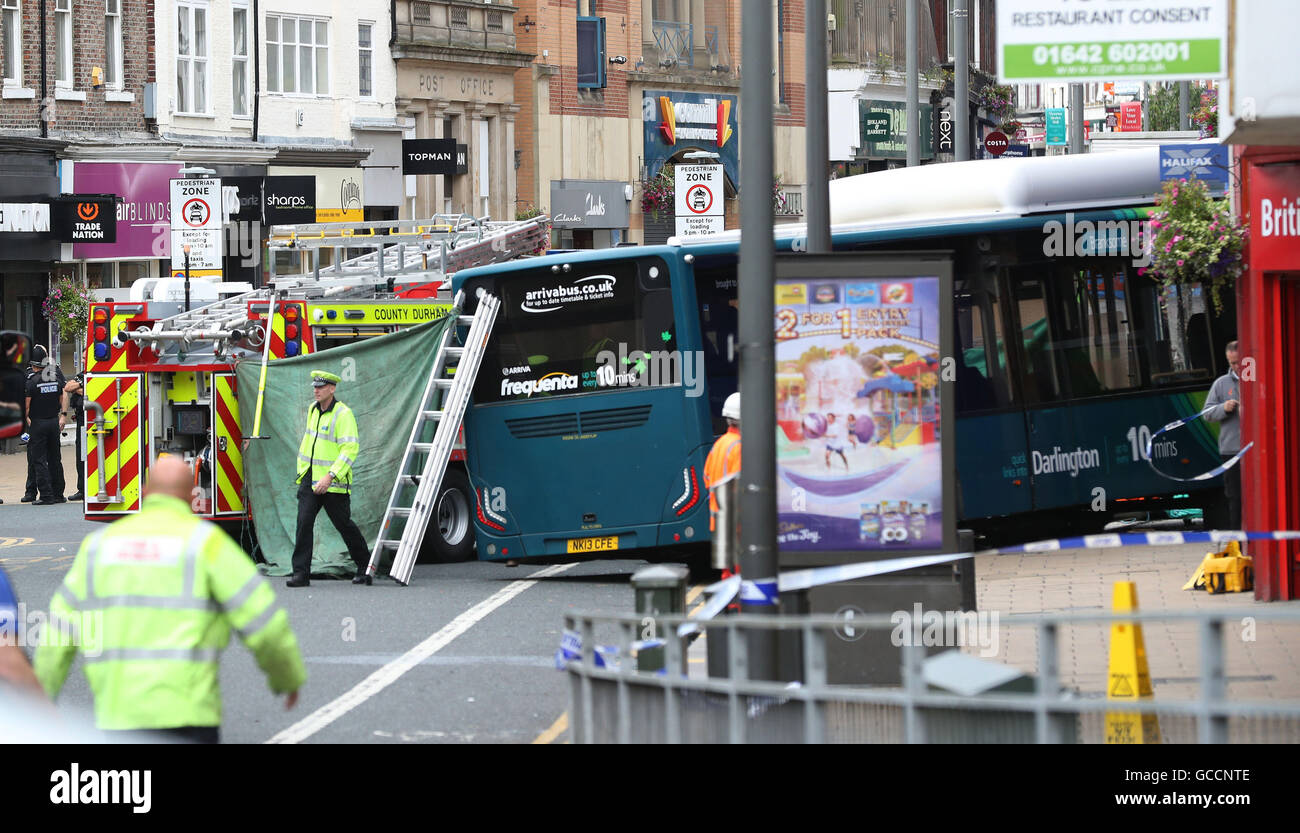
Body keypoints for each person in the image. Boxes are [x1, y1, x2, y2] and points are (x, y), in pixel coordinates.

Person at [32, 457, 305, 742]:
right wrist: (287, 678)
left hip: (118, 718)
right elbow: (264, 623)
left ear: (145, 493)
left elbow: (57, 636)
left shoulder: (97, 548)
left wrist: (37, 709)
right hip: (188, 716)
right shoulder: (206, 545)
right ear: (191, 498)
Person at [289, 370, 372, 587]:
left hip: (333, 481)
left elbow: (350, 449)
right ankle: (300, 573)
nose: (316, 390)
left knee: (343, 524)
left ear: (332, 389)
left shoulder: (343, 414)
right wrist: (306, 473)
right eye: (314, 387)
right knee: (303, 523)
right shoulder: (312, 410)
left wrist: (330, 475)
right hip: (310, 477)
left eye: (321, 387)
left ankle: (365, 564)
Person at [1203, 340, 1242, 530]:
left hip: (1256, 448)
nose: (1236, 367)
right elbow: (1207, 413)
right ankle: (1238, 540)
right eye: (1232, 363)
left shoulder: (1257, 378)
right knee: (1235, 498)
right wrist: (1223, 408)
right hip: (1231, 451)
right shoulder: (1221, 384)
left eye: (1238, 362)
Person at [24, 345, 66, 505]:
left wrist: (26, 420)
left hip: (38, 423)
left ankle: (46, 495)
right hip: (53, 422)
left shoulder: (32, 381)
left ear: (33, 364)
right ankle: (58, 493)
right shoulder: (54, 377)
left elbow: (26, 406)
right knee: (55, 458)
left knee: (39, 459)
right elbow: (62, 398)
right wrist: (61, 415)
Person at [703, 392, 742, 533]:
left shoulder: (719, 444)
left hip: (719, 520)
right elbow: (741, 487)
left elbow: (707, 479)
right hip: (735, 523)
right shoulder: (739, 447)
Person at [64, 372, 85, 501]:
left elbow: (89, 392)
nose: (83, 360)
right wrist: (82, 384)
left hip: (92, 419)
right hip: (81, 420)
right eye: (83, 358)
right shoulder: (82, 375)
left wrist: (78, 388)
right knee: (81, 456)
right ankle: (82, 489)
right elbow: (68, 387)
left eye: (84, 358)